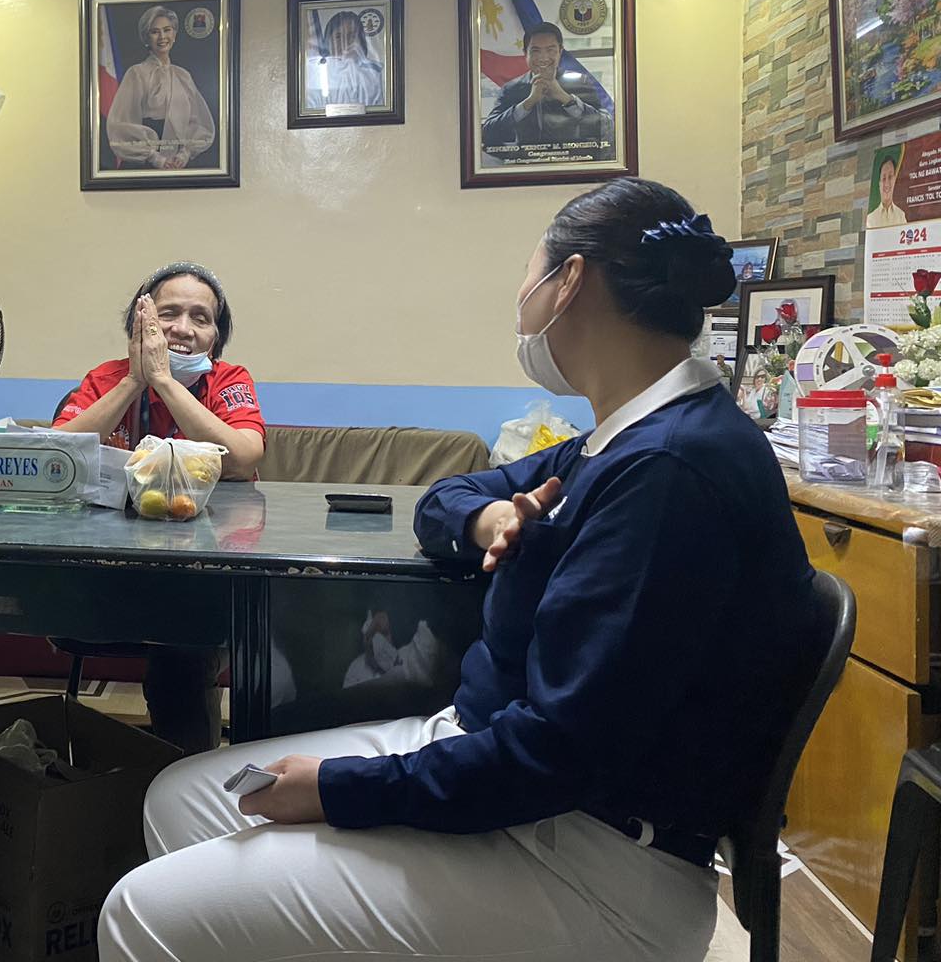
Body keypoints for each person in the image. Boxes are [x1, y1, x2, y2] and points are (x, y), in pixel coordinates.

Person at [98, 178, 818, 962]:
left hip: (591, 860)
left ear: (569, 281)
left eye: (530, 271)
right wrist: (489, 516)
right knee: (178, 799)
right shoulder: (612, 442)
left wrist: (341, 792)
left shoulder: (672, 471)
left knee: (140, 912)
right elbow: (446, 496)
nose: (522, 297)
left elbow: (557, 755)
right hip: (498, 766)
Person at [52, 262, 265, 753]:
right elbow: (54, 457)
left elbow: (242, 459)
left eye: (200, 318)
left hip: (205, 580)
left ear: (216, 335)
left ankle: (187, 790)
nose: (183, 329)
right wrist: (133, 380)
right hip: (111, 574)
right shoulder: (104, 378)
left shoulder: (228, 381)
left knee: (183, 658)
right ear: (139, 326)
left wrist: (166, 382)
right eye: (166, 314)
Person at [106, 6, 216, 170]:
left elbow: (198, 122)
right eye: (155, 31)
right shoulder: (136, 73)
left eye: (167, 30)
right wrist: (154, 158)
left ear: (174, 34)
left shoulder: (183, 75)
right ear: (146, 37)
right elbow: (120, 124)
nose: (162, 36)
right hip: (146, 163)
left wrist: (185, 154)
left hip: (179, 163)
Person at [482, 20, 612, 157]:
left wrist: (565, 98)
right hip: (525, 166)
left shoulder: (580, 82)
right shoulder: (512, 88)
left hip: (570, 164)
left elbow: (605, 128)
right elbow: (488, 134)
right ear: (525, 53)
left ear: (560, 52)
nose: (543, 58)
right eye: (536, 51)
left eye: (550, 50)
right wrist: (528, 103)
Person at [304, 9, 384, 110]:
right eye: (338, 37)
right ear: (328, 42)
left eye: (351, 36)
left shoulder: (377, 75)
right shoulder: (316, 77)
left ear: (361, 40)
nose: (345, 43)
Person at [867, 155, 908, 228]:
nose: (887, 183)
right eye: (883, 178)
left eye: (890, 177)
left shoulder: (901, 216)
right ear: (879, 184)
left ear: (895, 180)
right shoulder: (870, 219)